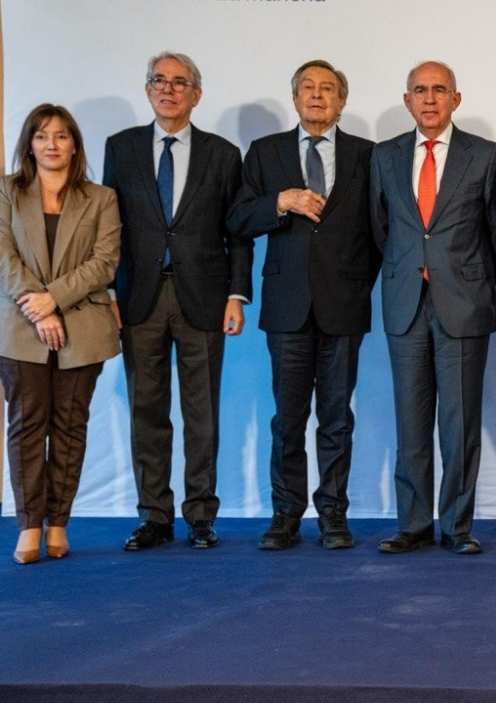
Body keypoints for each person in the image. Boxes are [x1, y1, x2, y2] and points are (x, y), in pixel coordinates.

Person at [227, 59, 378, 550]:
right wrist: (280, 202)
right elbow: (237, 219)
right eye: (308, 88)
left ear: (342, 100)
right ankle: (285, 516)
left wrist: (357, 281)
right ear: (294, 99)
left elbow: (379, 232)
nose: (317, 95)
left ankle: (333, 515)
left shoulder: (367, 155)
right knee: (287, 419)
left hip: (344, 307)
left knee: (337, 418)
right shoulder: (265, 153)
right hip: (287, 308)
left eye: (328, 88)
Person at [104, 51, 251, 552]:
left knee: (201, 411)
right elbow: (109, 227)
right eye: (158, 81)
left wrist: (237, 294)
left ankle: (201, 515)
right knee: (147, 410)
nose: (168, 89)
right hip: (138, 297)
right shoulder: (120, 149)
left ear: (197, 93)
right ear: (148, 90)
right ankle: (154, 516)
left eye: (179, 82)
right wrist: (107, 292)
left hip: (204, 298)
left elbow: (238, 233)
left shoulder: (223, 154)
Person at [369, 61, 496, 555]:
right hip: (405, 304)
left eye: (439, 90)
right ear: (407, 100)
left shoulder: (486, 156)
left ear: (457, 98)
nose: (429, 99)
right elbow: (379, 228)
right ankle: (412, 524)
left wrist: (467, 279)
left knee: (459, 422)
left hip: (464, 305)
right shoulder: (384, 157)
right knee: (410, 420)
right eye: (420, 91)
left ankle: (456, 526)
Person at [0, 104, 121, 564]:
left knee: (70, 428)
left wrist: (54, 300)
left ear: (75, 144)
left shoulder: (101, 197)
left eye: (61, 136)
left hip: (82, 328)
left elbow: (104, 261)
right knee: (27, 426)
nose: (51, 144)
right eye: (42, 135)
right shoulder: (7, 191)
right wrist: (38, 307)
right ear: (29, 143)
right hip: (18, 325)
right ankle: (29, 524)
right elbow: (3, 257)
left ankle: (59, 523)